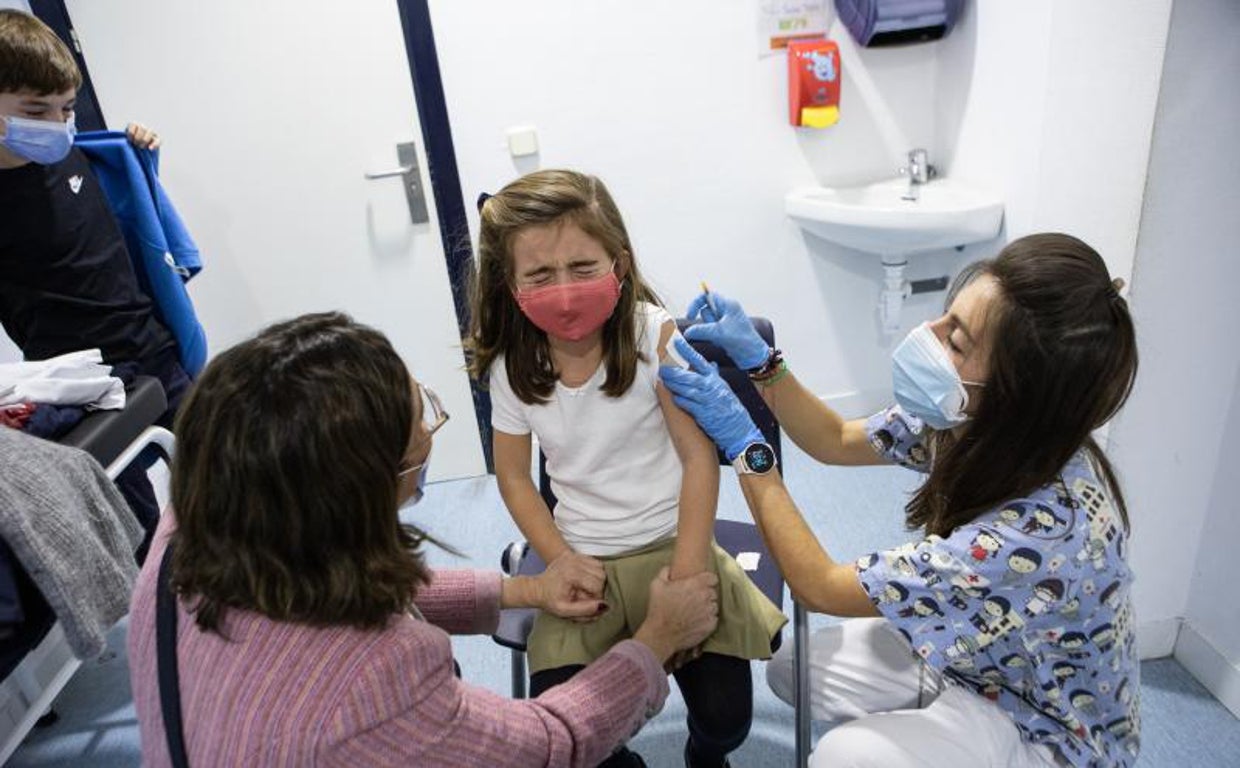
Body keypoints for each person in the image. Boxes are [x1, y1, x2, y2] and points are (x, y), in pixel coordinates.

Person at [128, 312, 721, 767]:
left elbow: (332, 594)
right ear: (360, 491)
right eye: (419, 420)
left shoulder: (194, 530)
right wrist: (655, 642)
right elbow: (547, 747)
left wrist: (524, 591)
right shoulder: (377, 681)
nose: (427, 429)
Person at [659, 233, 1140, 768]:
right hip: (980, 662)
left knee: (843, 758)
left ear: (1014, 390)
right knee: (794, 668)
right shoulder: (970, 423)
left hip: (1045, 732)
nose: (928, 335)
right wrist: (761, 361)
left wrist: (748, 449)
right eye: (946, 318)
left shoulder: (1038, 536)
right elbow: (837, 438)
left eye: (956, 341)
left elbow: (820, 586)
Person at [468, 170, 786, 768]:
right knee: (570, 738)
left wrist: (689, 572)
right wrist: (559, 558)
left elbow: (698, 457)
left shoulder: (651, 333)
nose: (565, 294)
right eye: (540, 275)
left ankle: (704, 758)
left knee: (726, 721)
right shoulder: (511, 366)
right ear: (510, 285)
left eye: (582, 267)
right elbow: (512, 476)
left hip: (676, 544)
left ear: (618, 262)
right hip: (582, 561)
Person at [0, 9, 189, 561]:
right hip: (80, 389)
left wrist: (140, 154)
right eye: (35, 111)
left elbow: (135, 221)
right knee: (137, 534)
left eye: (65, 108)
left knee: (231, 483)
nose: (57, 124)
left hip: (153, 350)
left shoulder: (75, 152)